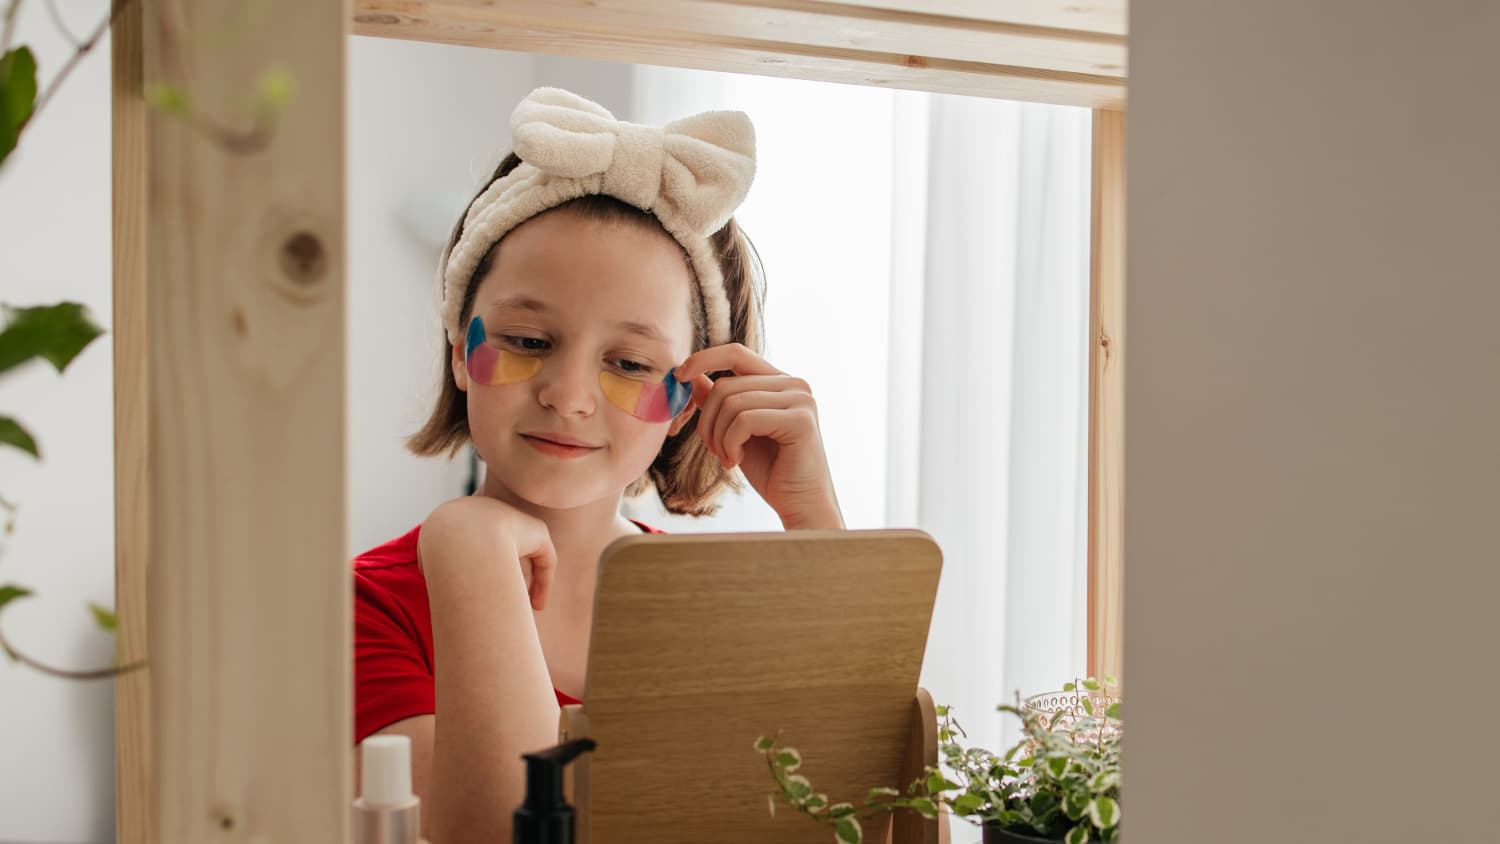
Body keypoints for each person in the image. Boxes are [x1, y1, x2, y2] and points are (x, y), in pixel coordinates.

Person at [351, 87, 845, 842]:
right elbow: (497, 831)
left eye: (629, 361)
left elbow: (876, 806)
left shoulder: (714, 619)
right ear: (460, 348)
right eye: (528, 341)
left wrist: (815, 525)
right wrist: (473, 551)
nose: (569, 395)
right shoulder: (363, 611)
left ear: (688, 398)